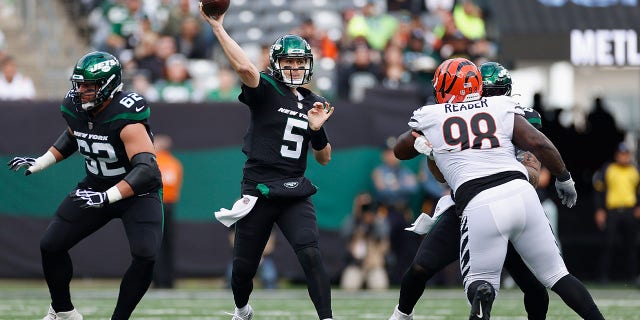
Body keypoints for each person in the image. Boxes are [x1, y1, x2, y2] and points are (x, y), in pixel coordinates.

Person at [391, 57, 603, 320]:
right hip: (512, 198)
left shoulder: (435, 115)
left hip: (480, 203)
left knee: (489, 284)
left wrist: (423, 142)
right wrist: (564, 177)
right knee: (558, 276)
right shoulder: (501, 107)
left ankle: (482, 293)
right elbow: (540, 144)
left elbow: (401, 150)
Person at [199, 5, 336, 320]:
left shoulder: (315, 101)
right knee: (243, 269)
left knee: (311, 253)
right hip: (259, 190)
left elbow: (325, 158)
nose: (295, 67)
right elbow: (246, 69)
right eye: (289, 61)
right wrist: (219, 28)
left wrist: (316, 131)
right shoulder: (267, 89)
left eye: (300, 62)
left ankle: (327, 318)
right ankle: (242, 309)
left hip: (294, 191)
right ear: (276, 64)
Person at [7, 51, 163, 320]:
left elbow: (147, 170)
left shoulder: (126, 114)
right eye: (79, 84)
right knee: (51, 244)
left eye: (89, 86)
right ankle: (64, 311)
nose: (81, 91)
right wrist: (42, 161)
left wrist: (107, 197)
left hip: (137, 191)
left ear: (109, 85)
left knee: (145, 254)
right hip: (96, 185)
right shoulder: (75, 106)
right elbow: (75, 135)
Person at [593, 141, 640, 284]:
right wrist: (599, 210)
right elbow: (598, 190)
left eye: (626, 154)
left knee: (631, 246)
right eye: (621, 154)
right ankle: (603, 276)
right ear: (616, 155)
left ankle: (632, 277)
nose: (624, 157)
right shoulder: (609, 169)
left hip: (630, 212)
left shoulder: (635, 170)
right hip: (612, 212)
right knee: (608, 244)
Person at [152, 134, 184, 289]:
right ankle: (168, 280)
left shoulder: (153, 162)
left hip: (156, 204)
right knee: (167, 244)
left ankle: (158, 280)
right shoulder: (175, 163)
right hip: (169, 205)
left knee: (155, 242)